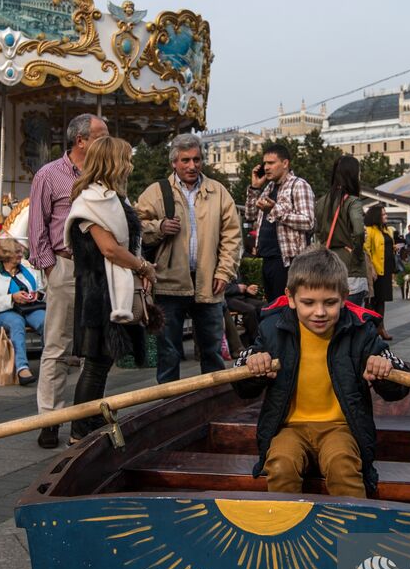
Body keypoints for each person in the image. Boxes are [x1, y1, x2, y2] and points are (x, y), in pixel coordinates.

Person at [235, 248, 408, 498]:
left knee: (343, 466)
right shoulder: (272, 330)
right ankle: (287, 531)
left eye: (329, 302)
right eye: (308, 303)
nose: (319, 312)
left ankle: (351, 530)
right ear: (291, 298)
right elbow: (242, 382)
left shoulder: (361, 331)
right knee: (281, 464)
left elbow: (398, 380)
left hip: (340, 428)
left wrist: (384, 369)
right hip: (289, 428)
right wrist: (254, 367)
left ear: (344, 298)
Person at [64, 137, 156, 445]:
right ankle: (79, 432)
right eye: (126, 159)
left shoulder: (110, 199)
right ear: (113, 162)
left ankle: (86, 425)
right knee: (95, 364)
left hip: (104, 289)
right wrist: (143, 267)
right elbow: (111, 249)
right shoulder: (91, 201)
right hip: (98, 292)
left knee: (100, 364)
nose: (130, 165)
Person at [29, 113, 110, 448]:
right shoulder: (49, 175)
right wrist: (51, 268)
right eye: (100, 136)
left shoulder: (104, 177)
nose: (106, 141)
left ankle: (83, 416)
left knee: (94, 347)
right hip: (65, 265)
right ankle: (50, 418)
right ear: (81, 141)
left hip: (97, 269)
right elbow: (37, 227)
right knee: (58, 345)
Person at [137, 132, 242, 383]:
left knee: (212, 352)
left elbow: (232, 236)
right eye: (185, 160)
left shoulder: (217, 192)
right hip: (169, 282)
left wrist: (224, 272)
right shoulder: (156, 192)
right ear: (174, 162)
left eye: (196, 159)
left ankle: (212, 403)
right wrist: (159, 227)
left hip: (209, 280)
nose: (192, 166)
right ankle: (168, 407)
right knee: (168, 354)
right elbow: (135, 228)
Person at [245, 142, 315, 301]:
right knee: (274, 309)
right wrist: (255, 188)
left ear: (285, 163)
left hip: (289, 261)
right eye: (265, 164)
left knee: (287, 308)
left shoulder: (299, 185)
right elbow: (250, 215)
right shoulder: (268, 188)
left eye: (271, 163)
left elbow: (308, 222)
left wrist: (274, 210)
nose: (266, 167)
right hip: (268, 258)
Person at [0, 236, 46, 386]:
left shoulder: (31, 272)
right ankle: (22, 368)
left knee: (45, 321)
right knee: (17, 323)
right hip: (3, 312)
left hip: (30, 308)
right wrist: (12, 298)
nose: (20, 255)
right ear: (5, 255)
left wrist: (38, 295)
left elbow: (42, 292)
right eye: (16, 252)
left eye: (20, 251)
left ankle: (49, 363)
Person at [312, 155, 368, 306]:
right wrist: (357, 255)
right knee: (352, 318)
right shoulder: (352, 201)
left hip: (327, 264)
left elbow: (317, 231)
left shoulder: (321, 202)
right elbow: (358, 231)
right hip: (350, 267)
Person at [363, 203, 396, 341]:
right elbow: (367, 250)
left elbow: (387, 247)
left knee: (382, 300)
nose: (386, 216)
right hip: (376, 270)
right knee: (372, 301)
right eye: (383, 214)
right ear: (376, 216)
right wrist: (371, 269)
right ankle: (371, 329)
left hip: (386, 269)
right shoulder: (370, 230)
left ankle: (381, 327)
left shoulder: (387, 230)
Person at [225, 278, 265, 347]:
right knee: (250, 310)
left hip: (241, 297)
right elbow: (222, 288)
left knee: (263, 306)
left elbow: (240, 286)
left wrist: (247, 289)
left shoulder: (235, 269)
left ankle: (264, 335)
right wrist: (237, 288)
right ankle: (255, 340)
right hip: (228, 299)